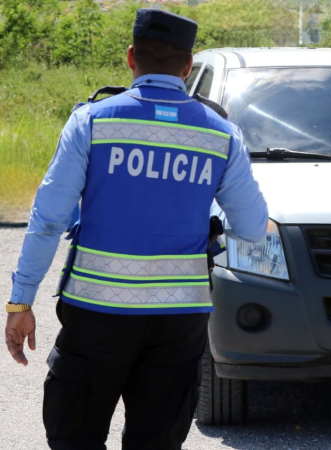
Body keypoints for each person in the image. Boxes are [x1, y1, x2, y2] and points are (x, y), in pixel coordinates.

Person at [4, 8, 268, 450]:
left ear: (131, 58)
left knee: (74, 436)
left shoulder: (92, 121)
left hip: (96, 315)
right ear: (187, 68)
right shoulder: (222, 135)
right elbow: (253, 228)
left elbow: (49, 219)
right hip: (178, 321)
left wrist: (21, 303)